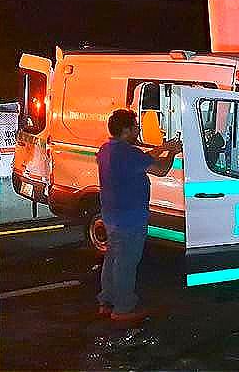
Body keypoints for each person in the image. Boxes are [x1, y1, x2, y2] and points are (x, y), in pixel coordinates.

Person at [96, 109, 181, 322]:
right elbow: (160, 170)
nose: (138, 130)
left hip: (111, 215)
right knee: (126, 263)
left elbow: (142, 158)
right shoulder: (129, 154)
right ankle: (123, 309)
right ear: (126, 130)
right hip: (130, 218)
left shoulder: (106, 150)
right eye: (135, 127)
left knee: (113, 258)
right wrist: (172, 153)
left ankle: (106, 302)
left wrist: (162, 147)